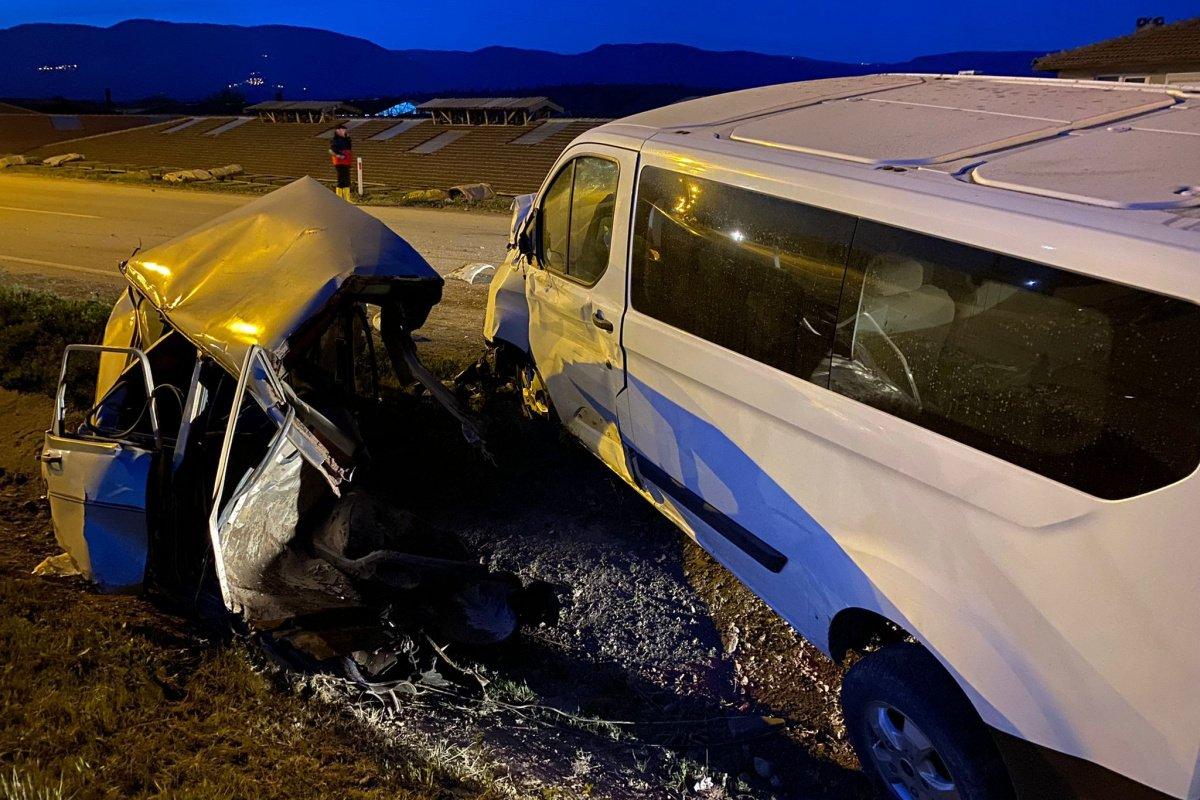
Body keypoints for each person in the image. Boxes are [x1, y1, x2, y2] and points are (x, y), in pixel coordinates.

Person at [329, 124, 354, 200]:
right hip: (340, 162)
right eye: (343, 130)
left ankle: (347, 199)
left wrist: (348, 139)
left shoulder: (346, 139)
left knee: (347, 180)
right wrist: (339, 155)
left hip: (346, 162)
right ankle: (339, 199)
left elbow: (349, 148)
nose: (344, 131)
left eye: (345, 130)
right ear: (338, 131)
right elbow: (331, 150)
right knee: (342, 180)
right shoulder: (335, 140)